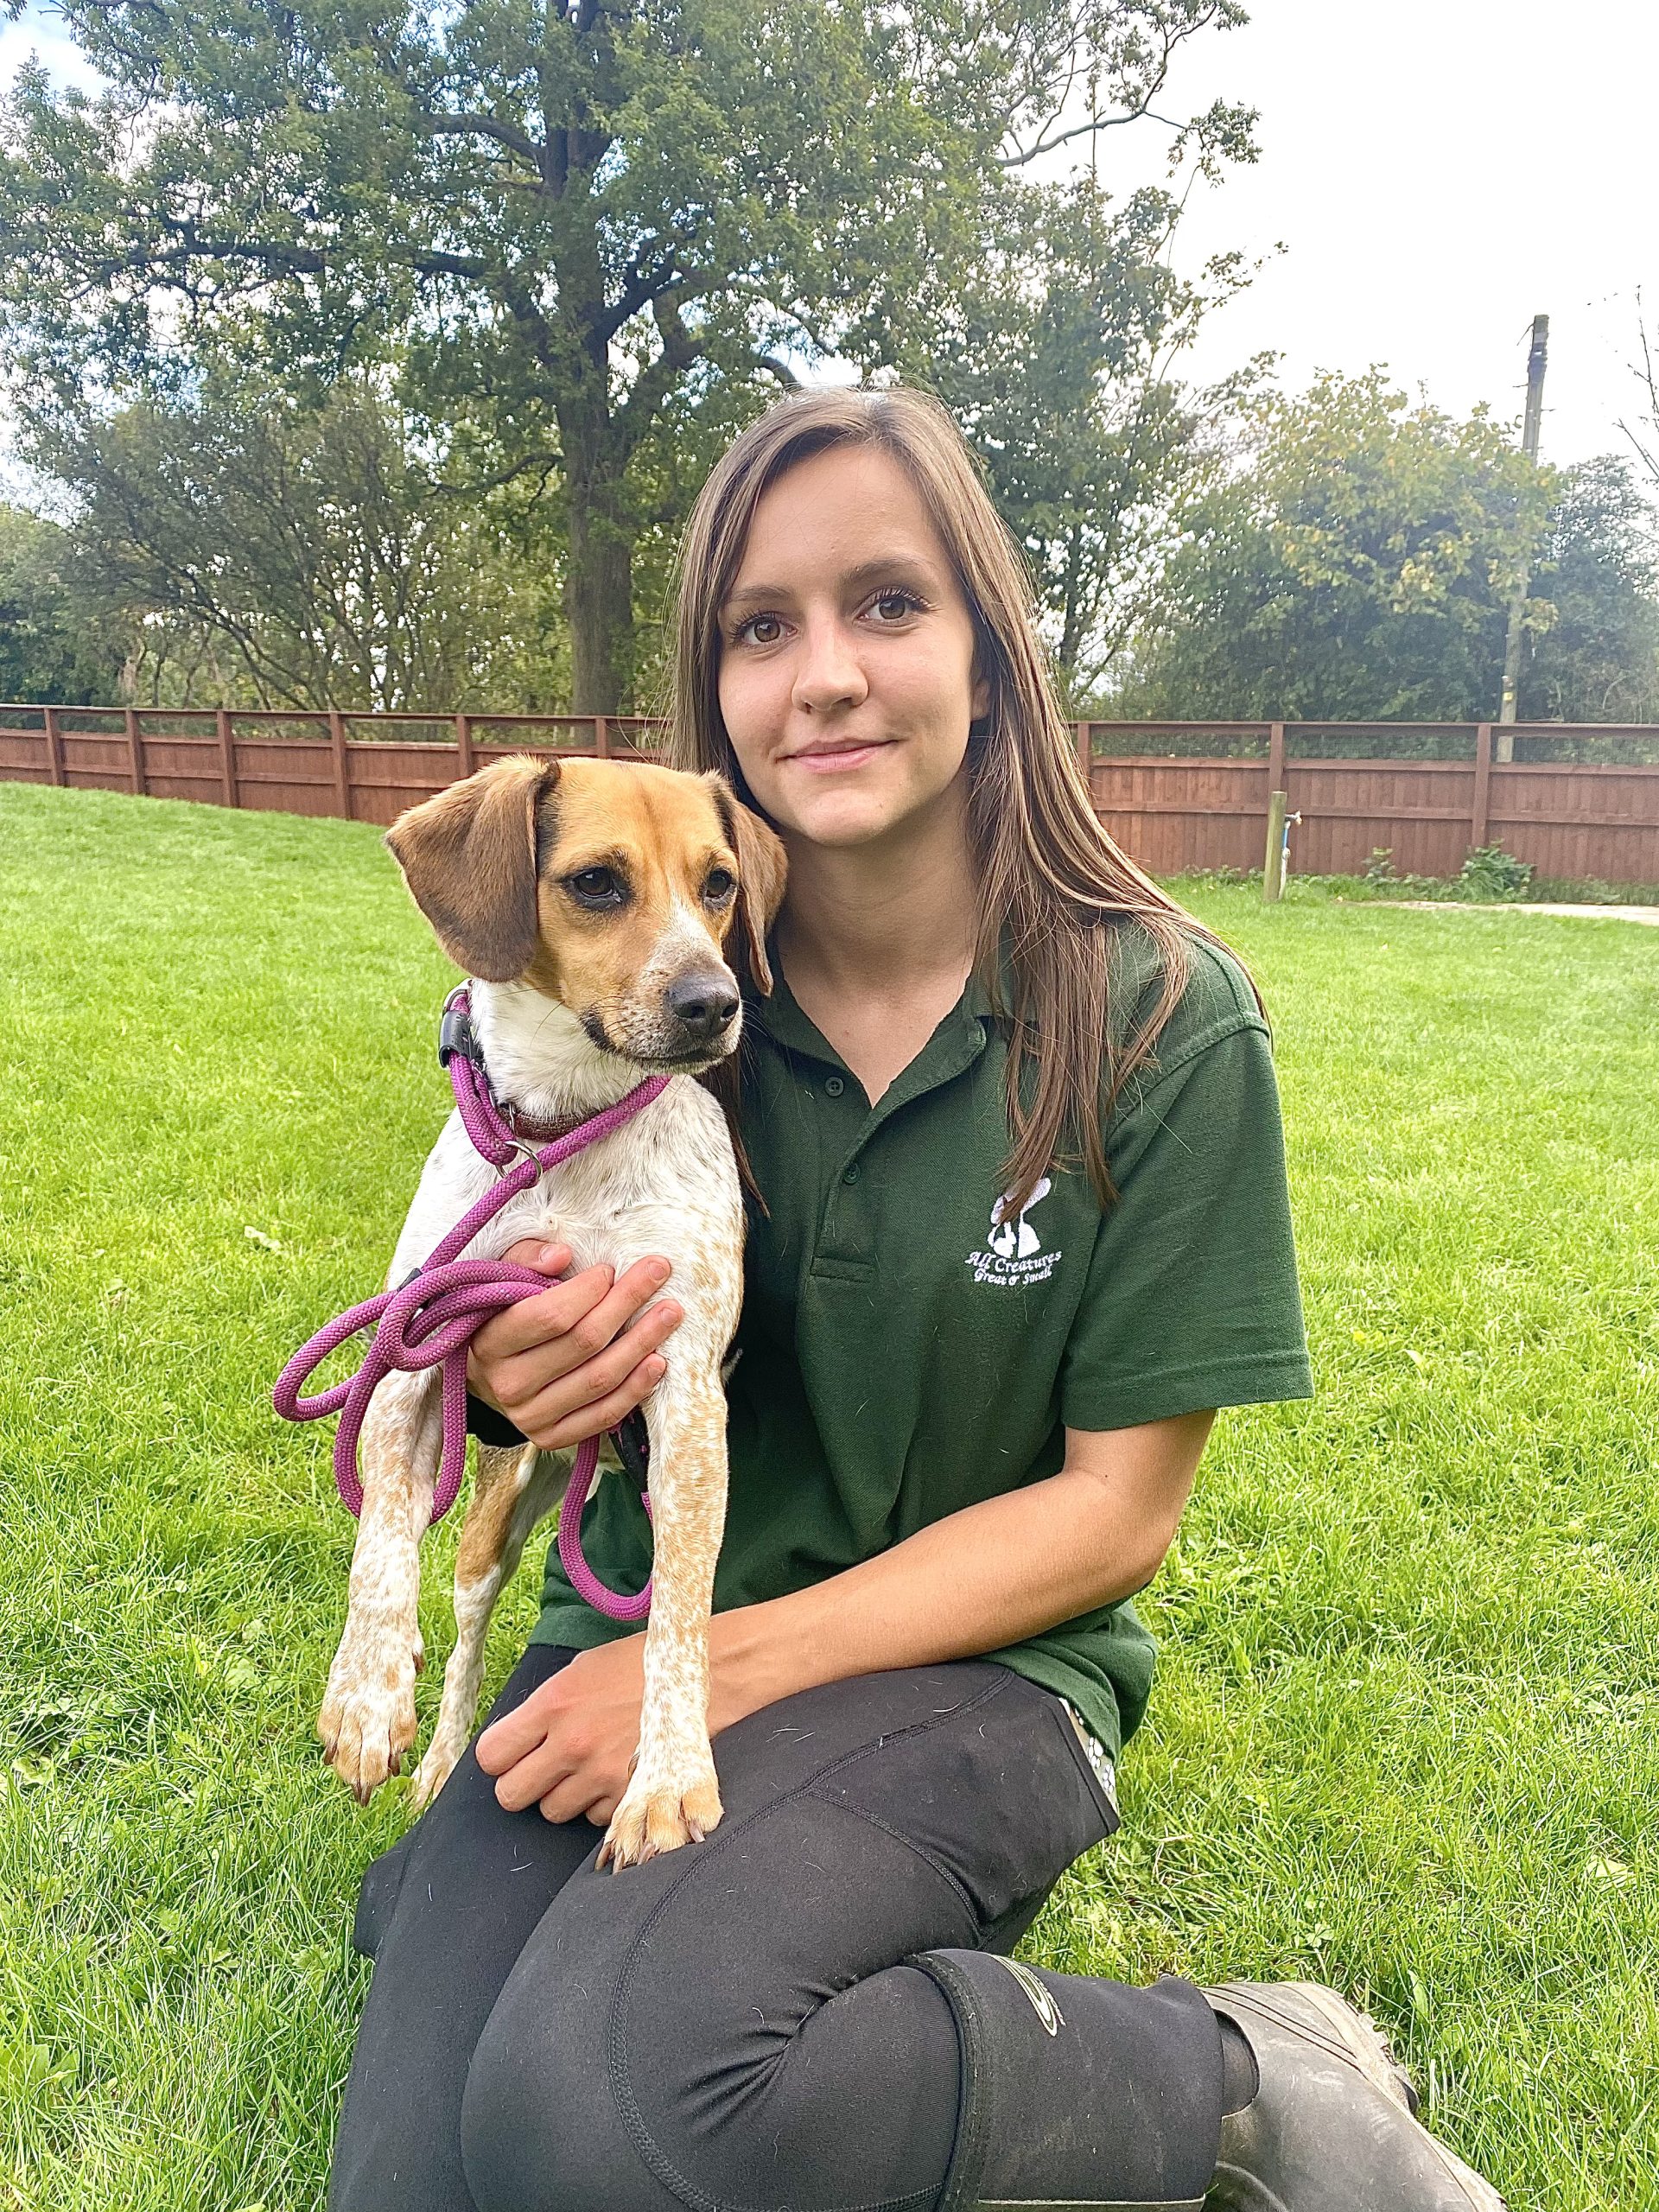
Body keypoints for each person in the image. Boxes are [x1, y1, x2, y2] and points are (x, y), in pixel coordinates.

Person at [327, 388, 1502, 2212]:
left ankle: (1249, 2071)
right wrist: (498, 1370)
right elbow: (486, 1325)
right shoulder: (652, 1005)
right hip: (634, 1653)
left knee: (610, 2106)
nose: (825, 676)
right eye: (760, 625)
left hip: (972, 1677)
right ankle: (662, 1947)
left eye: (890, 602)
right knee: (424, 2172)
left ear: (990, 645)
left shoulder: (1160, 1021)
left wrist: (704, 1673)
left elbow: (1118, 1515)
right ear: (712, 680)